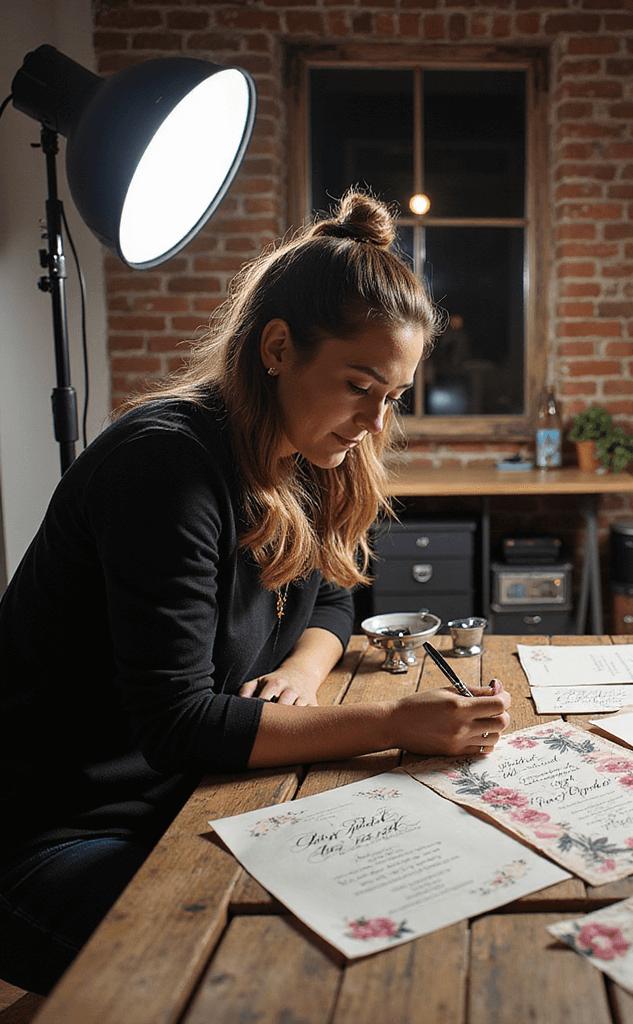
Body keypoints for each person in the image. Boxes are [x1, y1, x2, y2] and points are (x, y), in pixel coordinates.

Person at [0, 188, 511, 996]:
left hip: (190, 801)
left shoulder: (303, 454)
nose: (377, 422)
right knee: (276, 978)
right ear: (277, 347)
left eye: (396, 397)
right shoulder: (163, 467)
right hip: (57, 836)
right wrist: (391, 724)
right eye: (360, 385)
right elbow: (175, 724)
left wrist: (302, 675)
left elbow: (335, 603)